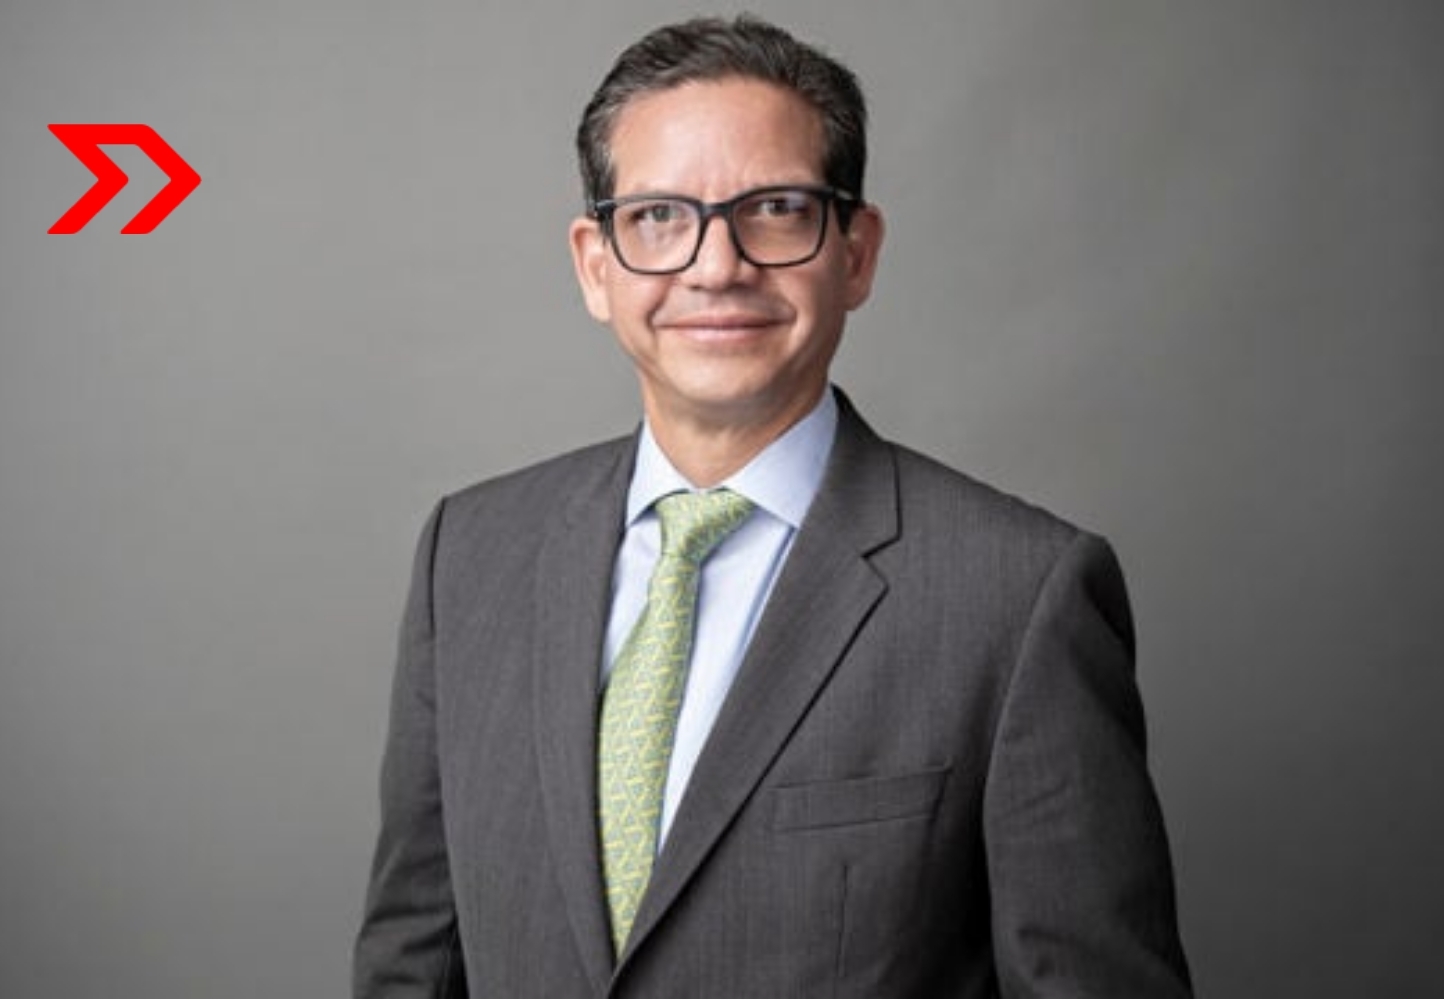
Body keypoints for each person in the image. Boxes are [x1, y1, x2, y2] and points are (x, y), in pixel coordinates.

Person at [353, 14, 1191, 997]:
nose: (716, 266)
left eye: (777, 209)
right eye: (658, 216)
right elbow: (412, 965)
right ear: (595, 264)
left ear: (856, 252)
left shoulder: (1017, 596)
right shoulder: (470, 556)